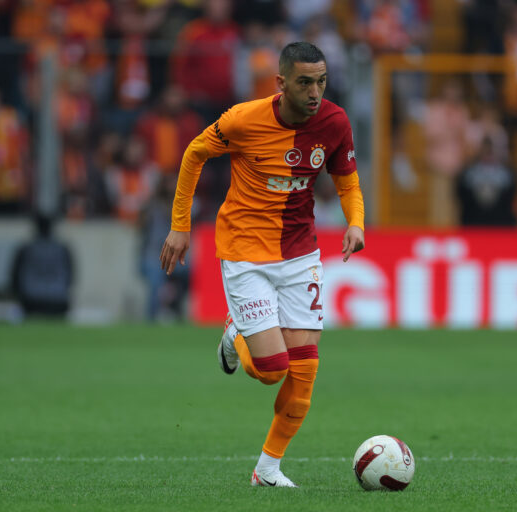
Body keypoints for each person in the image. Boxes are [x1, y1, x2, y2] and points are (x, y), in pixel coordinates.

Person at [159, 42, 365, 487]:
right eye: (305, 83)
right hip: (245, 251)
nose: (315, 92)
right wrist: (180, 226)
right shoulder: (243, 119)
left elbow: (347, 183)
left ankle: (267, 469)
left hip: (300, 254)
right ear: (281, 83)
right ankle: (235, 333)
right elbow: (194, 153)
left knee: (304, 371)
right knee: (272, 371)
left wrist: (355, 223)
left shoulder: (335, 122)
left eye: (321, 81)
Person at [11, 214, 74, 317]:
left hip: (31, 301)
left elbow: (14, 278)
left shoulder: (26, 249)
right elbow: (70, 277)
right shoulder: (63, 249)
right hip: (58, 301)